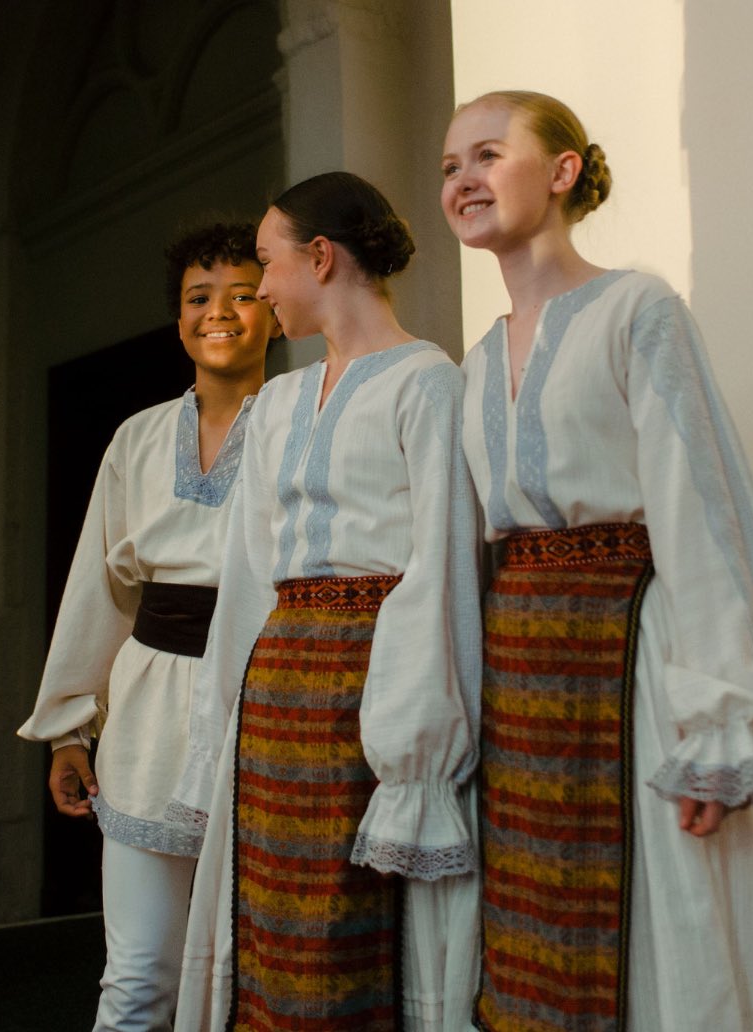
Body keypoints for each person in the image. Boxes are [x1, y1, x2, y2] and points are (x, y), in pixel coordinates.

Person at [440, 90, 753, 1032]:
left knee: (659, 930)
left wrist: (718, 723)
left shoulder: (636, 309)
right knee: (531, 946)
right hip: (520, 683)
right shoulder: (476, 362)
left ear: (562, 171)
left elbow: (701, 508)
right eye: (449, 167)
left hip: (625, 667)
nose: (463, 179)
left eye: (487, 153)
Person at [169, 172, 482, 1031]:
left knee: (347, 924)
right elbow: (246, 580)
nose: (260, 289)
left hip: (370, 695)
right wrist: (216, 735)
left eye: (268, 263)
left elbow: (443, 571)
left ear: (320, 256)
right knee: (271, 929)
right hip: (276, 696)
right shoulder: (274, 405)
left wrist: (416, 753)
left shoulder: (427, 383)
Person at [18, 220, 282, 1031]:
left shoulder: (302, 422)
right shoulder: (135, 438)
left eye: (243, 295)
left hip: (264, 704)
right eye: (200, 298)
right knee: (137, 978)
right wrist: (71, 725)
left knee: (255, 973)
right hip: (147, 717)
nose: (221, 313)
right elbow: (97, 590)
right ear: (177, 319)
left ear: (273, 308)